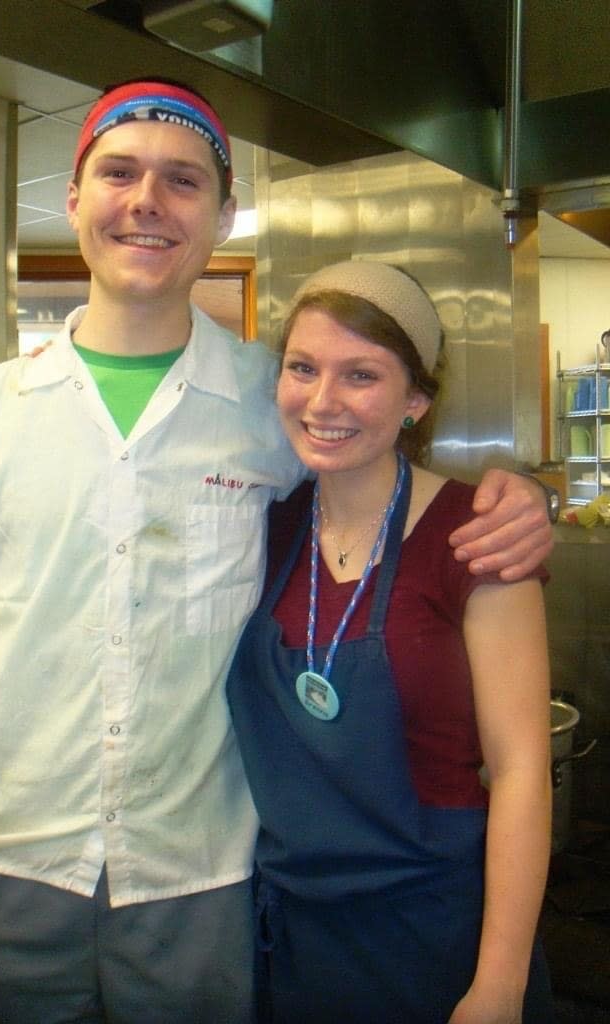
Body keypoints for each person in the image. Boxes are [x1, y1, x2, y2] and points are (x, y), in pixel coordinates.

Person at [0, 79, 553, 1023]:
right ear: (73, 198)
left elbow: (379, 462)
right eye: (119, 172)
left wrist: (521, 489)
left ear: (224, 215)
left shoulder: (267, 404)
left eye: (184, 181)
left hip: (200, 877)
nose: (148, 200)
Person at [226, 261, 555, 1024]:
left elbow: (521, 773)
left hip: (437, 931)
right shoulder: (266, 526)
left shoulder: (476, 537)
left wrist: (498, 986)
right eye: (302, 368)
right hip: (294, 931)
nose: (322, 401)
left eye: (361, 375)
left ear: (416, 400)